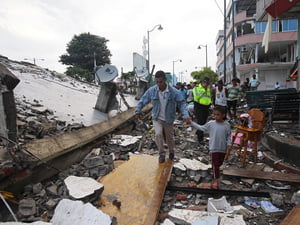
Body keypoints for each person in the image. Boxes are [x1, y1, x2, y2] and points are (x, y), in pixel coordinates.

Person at [135, 70, 191, 163]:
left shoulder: (173, 92)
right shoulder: (152, 91)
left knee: (169, 137)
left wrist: (186, 115)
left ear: (165, 80)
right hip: (157, 117)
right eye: (157, 82)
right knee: (158, 134)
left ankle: (172, 151)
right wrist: (138, 111)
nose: (159, 84)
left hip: (169, 118)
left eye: (161, 82)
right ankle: (161, 153)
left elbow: (181, 103)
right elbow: (143, 100)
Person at [190, 106, 231, 189]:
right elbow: (202, 128)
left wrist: (229, 145)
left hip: (222, 148)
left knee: (219, 163)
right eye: (214, 114)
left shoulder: (227, 125)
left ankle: (215, 173)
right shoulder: (211, 123)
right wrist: (191, 122)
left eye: (218, 115)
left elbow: (228, 136)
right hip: (213, 148)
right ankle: (216, 180)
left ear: (223, 115)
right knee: (216, 164)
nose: (216, 116)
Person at [192, 77, 212, 143]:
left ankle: (198, 132)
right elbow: (197, 97)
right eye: (205, 82)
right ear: (202, 82)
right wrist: (203, 90)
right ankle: (200, 138)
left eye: (207, 83)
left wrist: (210, 103)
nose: (206, 84)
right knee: (201, 122)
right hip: (199, 106)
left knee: (203, 122)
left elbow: (208, 97)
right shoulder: (196, 88)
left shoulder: (208, 89)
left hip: (206, 107)